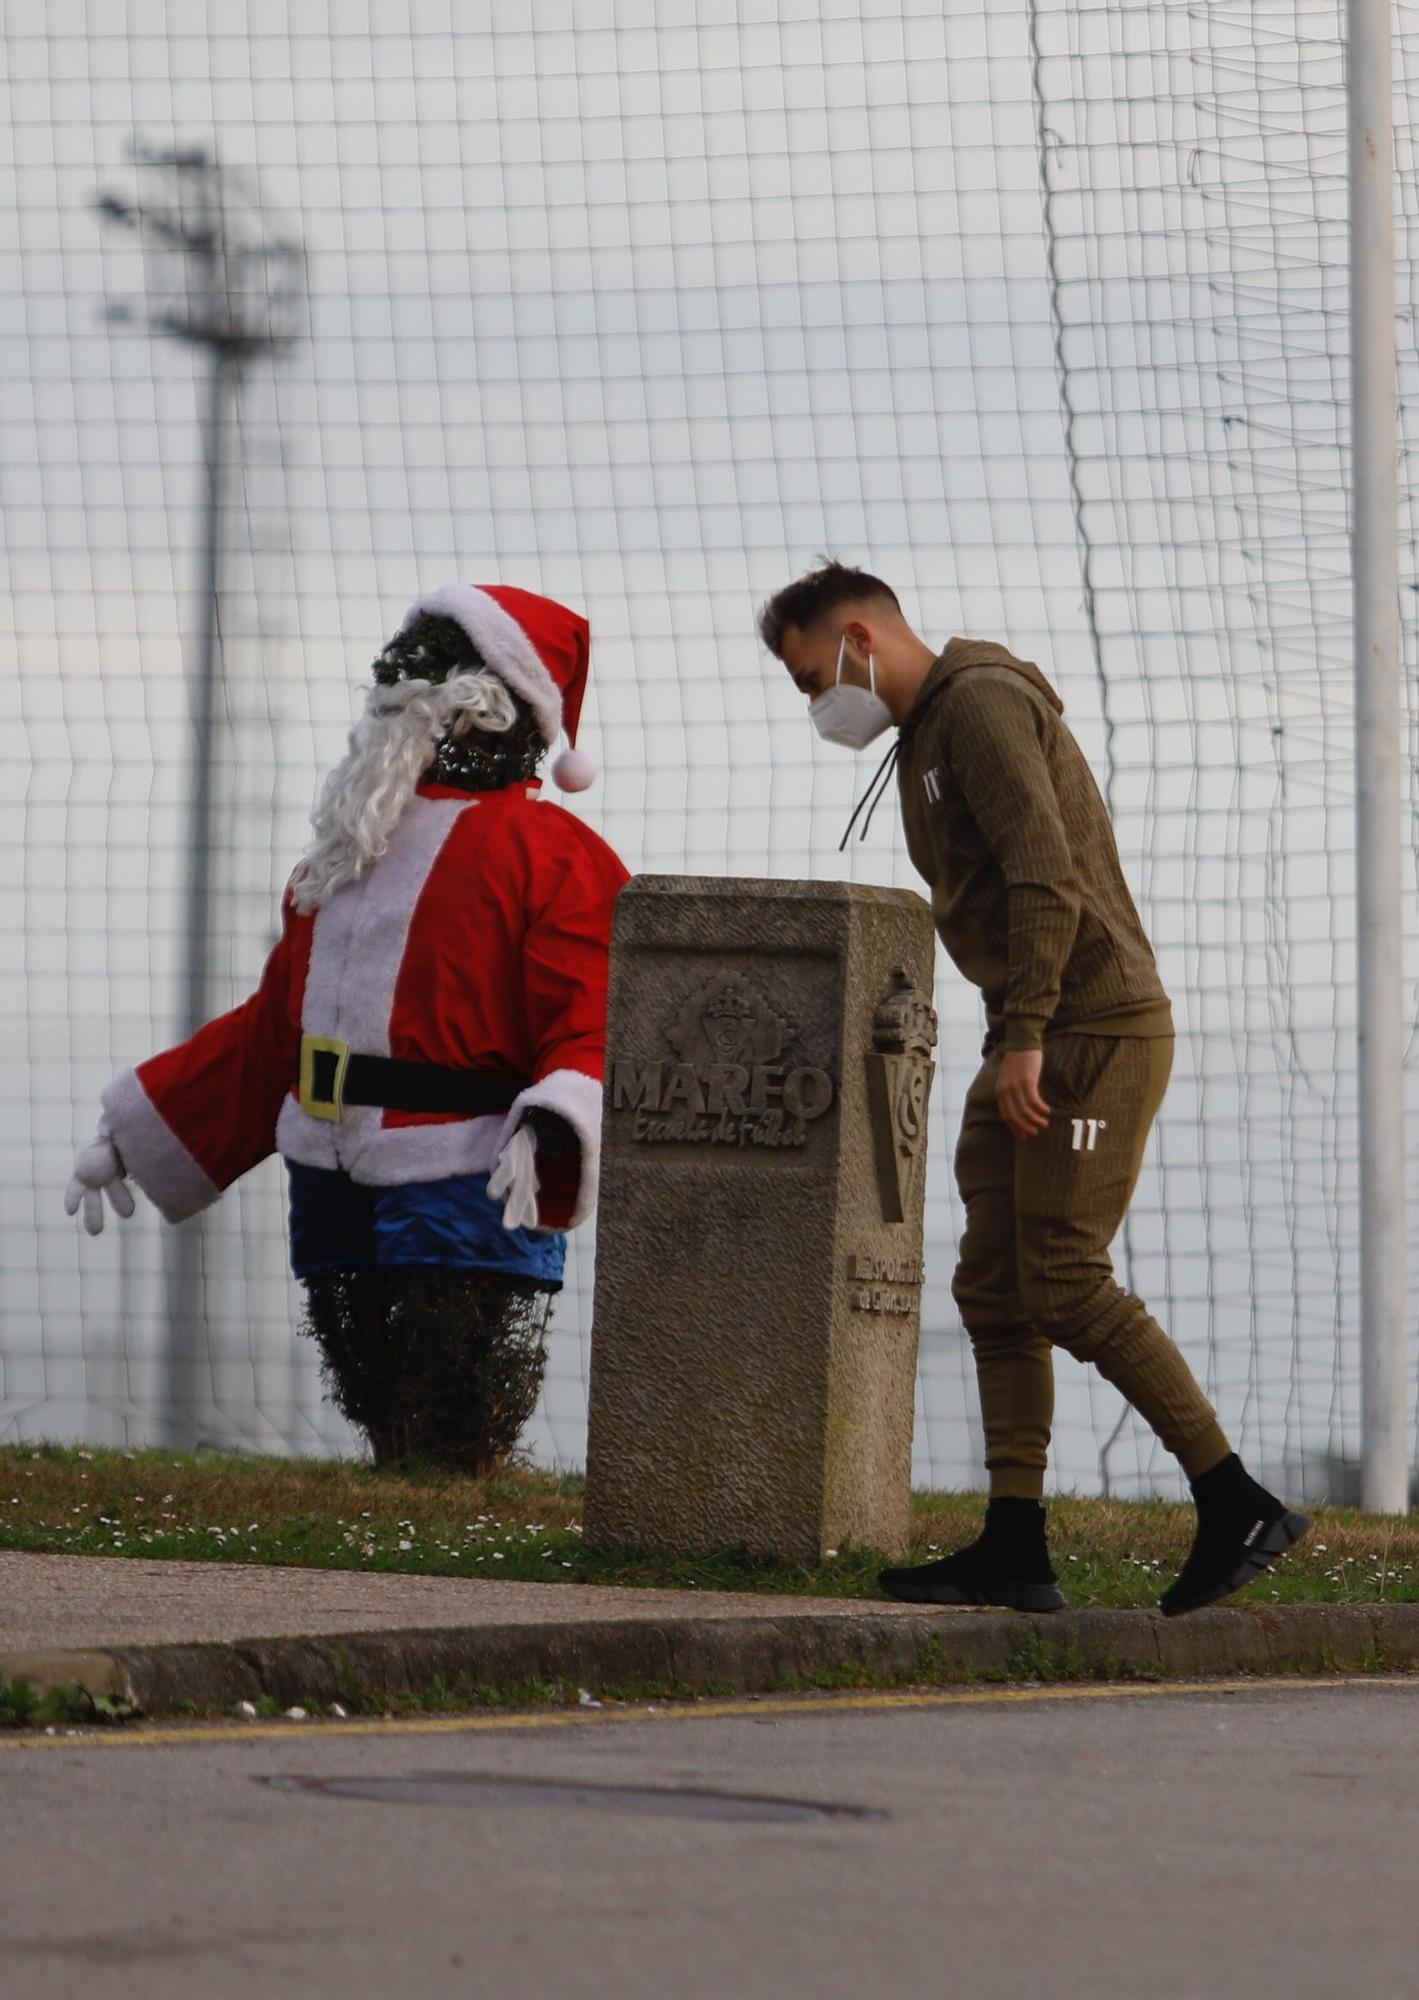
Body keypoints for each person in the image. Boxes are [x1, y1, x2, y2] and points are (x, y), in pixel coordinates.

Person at [759, 560, 1310, 1617]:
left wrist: (1023, 1039)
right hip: (1036, 1031)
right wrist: (1016, 1037)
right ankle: (1016, 1544)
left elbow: (1043, 878)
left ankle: (1235, 1498)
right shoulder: (924, 737)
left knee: (1062, 1276)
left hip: (1089, 1028)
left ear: (860, 638)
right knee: (996, 1283)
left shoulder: (982, 706)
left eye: (810, 677)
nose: (816, 703)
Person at [65, 584, 629, 1472]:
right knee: (364, 1359)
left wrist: (563, 1110)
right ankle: (409, 1479)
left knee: (450, 1363)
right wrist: (142, 1123)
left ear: (494, 706)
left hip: (460, 1158)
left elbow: (592, 1006)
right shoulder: (338, 857)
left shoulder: (555, 857)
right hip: (325, 1153)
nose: (399, 693)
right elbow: (269, 1034)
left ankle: (452, 1483)